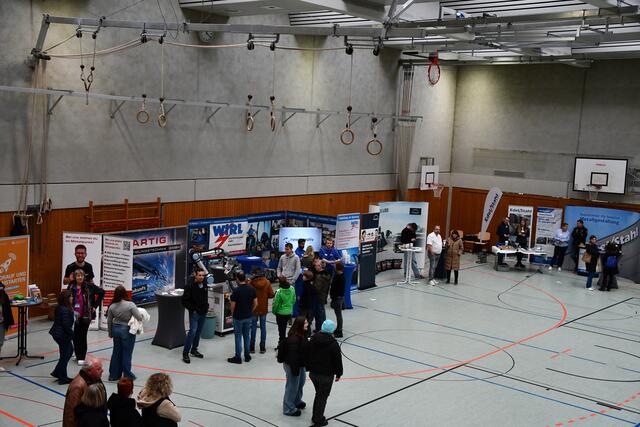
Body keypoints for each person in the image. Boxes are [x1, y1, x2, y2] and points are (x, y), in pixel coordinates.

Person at [306, 320, 343, 427]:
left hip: (313, 373)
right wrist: (339, 374)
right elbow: (337, 361)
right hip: (326, 375)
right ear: (331, 330)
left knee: (319, 394)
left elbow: (308, 354)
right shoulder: (333, 344)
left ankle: (315, 415)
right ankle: (318, 419)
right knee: (322, 396)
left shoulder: (313, 339)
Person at [67, 269, 104, 365]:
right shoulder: (71, 286)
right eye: (78, 276)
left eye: (81, 275)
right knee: (75, 336)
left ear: (84, 277)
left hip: (85, 315)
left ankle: (81, 357)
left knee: (82, 336)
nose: (80, 277)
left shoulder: (89, 286)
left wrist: (94, 306)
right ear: (75, 277)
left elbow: (102, 292)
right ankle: (77, 354)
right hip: (73, 315)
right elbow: (67, 298)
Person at [107, 285, 143, 381]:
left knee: (116, 352)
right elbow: (139, 317)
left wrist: (110, 333)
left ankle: (113, 375)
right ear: (124, 293)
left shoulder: (112, 306)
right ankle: (127, 375)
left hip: (115, 330)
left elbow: (109, 321)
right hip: (127, 331)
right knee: (127, 353)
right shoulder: (130, 305)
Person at [278, 316, 310, 417]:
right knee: (292, 386)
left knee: (300, 383)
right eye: (305, 323)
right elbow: (293, 357)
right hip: (292, 365)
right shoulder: (294, 340)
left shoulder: (302, 334)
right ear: (300, 325)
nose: (308, 324)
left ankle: (296, 401)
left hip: (299, 364)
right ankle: (288, 408)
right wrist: (295, 370)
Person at [63, 356, 105, 427]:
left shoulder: (94, 378)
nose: (102, 370)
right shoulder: (77, 386)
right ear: (89, 371)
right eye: (98, 369)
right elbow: (70, 415)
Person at [227, 272, 257, 364]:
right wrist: (250, 311)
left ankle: (238, 357)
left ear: (237, 279)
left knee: (238, 337)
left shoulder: (236, 291)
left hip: (238, 317)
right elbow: (256, 303)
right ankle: (247, 356)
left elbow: (232, 306)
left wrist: (233, 314)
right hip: (248, 316)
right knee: (247, 336)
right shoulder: (252, 289)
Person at [181, 269, 209, 364]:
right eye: (199, 275)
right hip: (195, 313)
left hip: (203, 312)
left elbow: (205, 296)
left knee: (198, 332)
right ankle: (185, 353)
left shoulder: (204, 283)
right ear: (195, 275)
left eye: (203, 275)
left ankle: (194, 350)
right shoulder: (189, 286)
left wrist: (206, 307)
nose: (201, 277)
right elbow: (184, 301)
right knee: (192, 332)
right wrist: (193, 310)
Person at [49, 289, 75, 384]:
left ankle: (57, 372)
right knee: (65, 355)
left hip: (58, 333)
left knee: (68, 351)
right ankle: (62, 378)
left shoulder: (60, 307)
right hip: (62, 335)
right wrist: (73, 335)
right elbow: (66, 325)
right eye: (70, 296)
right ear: (66, 299)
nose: (72, 298)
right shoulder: (65, 310)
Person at [249, 267, 275, 354]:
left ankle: (252, 347)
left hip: (254, 308)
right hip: (263, 308)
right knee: (263, 328)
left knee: (253, 328)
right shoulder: (267, 282)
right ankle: (262, 347)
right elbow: (271, 295)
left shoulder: (251, 282)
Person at [272, 275, 296, 346]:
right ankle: (283, 343)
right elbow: (294, 299)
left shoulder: (279, 291)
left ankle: (281, 344)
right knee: (285, 328)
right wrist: (289, 307)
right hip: (288, 312)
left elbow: (275, 303)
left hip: (280, 313)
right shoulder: (292, 288)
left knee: (281, 330)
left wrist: (274, 312)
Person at [311, 258, 331, 334]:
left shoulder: (319, 276)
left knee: (319, 313)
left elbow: (317, 288)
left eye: (316, 266)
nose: (315, 267)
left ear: (319, 266)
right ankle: (323, 328)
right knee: (322, 312)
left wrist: (312, 285)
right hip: (323, 295)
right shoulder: (326, 274)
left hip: (318, 296)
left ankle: (319, 328)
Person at [0, 282, 15, 371]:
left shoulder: (4, 296)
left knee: (0, 343)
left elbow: (8, 310)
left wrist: (9, 323)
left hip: (1, 324)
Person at [329, 262, 345, 338]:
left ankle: (339, 330)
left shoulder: (340, 278)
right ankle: (338, 328)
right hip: (337, 297)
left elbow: (338, 289)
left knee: (338, 315)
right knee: (338, 314)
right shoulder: (339, 276)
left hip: (337, 298)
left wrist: (334, 296)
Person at [299, 270, 317, 334]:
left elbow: (305, 296)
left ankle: (305, 333)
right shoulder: (311, 285)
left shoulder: (305, 285)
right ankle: (307, 333)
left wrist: (300, 300)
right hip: (309, 306)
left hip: (304, 305)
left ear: (307, 277)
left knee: (303, 320)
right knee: (308, 320)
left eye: (304, 276)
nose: (302, 277)